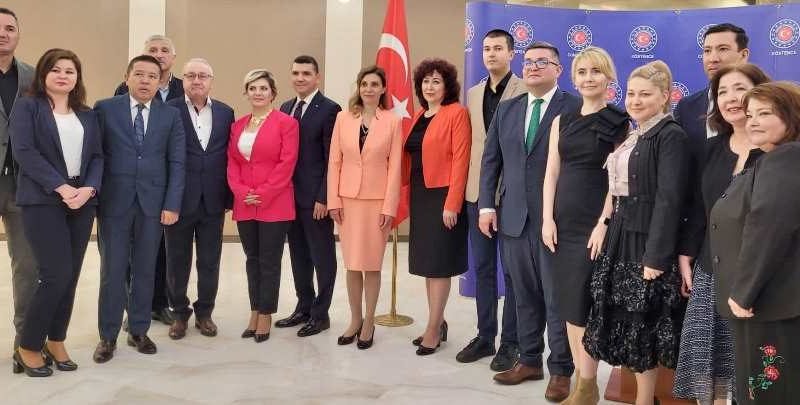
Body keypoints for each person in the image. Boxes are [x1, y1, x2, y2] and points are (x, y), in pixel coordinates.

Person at [478, 41, 580, 401]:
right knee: (522, 295)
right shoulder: (508, 109)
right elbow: (491, 161)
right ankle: (530, 359)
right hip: (513, 218)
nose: (533, 66)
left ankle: (562, 369)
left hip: (557, 221)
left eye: (542, 62)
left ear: (558, 69)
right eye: (529, 61)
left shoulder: (575, 107)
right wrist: (486, 206)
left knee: (556, 298)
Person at [582, 60, 688, 405]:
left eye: (645, 94)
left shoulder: (670, 135)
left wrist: (655, 256)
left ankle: (645, 401)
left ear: (665, 96)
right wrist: (604, 223)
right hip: (620, 235)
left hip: (645, 243)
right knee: (624, 322)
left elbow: (669, 200)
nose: (636, 100)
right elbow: (617, 191)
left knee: (643, 324)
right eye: (630, 94)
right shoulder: (636, 133)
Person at [673, 63, 770, 405]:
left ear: (760, 93)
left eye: (739, 88)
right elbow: (699, 208)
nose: (730, 98)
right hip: (710, 269)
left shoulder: (779, 151)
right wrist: (686, 254)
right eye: (722, 92)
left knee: (754, 366)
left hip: (760, 275)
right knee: (707, 361)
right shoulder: (711, 149)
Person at [541, 46, 629, 404]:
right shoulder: (561, 120)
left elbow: (618, 179)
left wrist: (603, 223)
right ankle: (583, 382)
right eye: (582, 72)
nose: (589, 78)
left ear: (609, 78)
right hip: (561, 223)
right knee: (568, 303)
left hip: (594, 223)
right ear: (573, 78)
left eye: (596, 71)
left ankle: (587, 382)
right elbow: (551, 172)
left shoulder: (618, 121)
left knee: (583, 305)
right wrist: (547, 218)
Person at [9, 48, 102, 377]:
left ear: (77, 78)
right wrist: (61, 187)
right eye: (56, 70)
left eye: (70, 71)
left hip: (82, 200)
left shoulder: (86, 114)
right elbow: (24, 151)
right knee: (54, 274)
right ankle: (28, 345)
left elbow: (97, 156)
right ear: (43, 74)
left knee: (71, 275)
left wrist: (89, 189)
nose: (63, 75)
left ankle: (56, 340)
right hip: (43, 198)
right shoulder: (28, 106)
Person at [710, 81, 800, 405]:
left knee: (767, 393)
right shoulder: (771, 158)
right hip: (766, 303)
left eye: (765, 113)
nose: (754, 122)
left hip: (769, 303)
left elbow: (768, 227)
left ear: (791, 117)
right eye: (751, 115)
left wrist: (743, 291)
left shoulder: (786, 159)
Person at [92, 55, 186, 363]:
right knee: (112, 270)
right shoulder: (105, 108)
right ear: (127, 77)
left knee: (146, 269)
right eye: (139, 74)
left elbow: (177, 161)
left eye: (152, 76)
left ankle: (138, 330)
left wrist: (172, 203)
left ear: (160, 81)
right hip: (114, 202)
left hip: (153, 204)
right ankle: (107, 336)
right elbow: (95, 154)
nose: (145, 81)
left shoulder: (171, 115)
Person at [459, 29, 525, 370]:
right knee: (483, 268)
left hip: (513, 195)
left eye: (498, 48)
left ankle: (511, 343)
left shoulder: (526, 90)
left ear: (511, 53)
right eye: (486, 48)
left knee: (512, 272)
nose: (491, 54)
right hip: (477, 193)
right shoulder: (472, 94)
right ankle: (485, 336)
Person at [328, 66, 401, 350]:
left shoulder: (393, 121)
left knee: (370, 264)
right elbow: (334, 162)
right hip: (347, 201)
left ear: (383, 89)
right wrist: (333, 200)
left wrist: (389, 206)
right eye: (364, 84)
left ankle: (369, 321)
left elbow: (395, 167)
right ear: (358, 88)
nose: (368, 89)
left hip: (377, 202)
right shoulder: (343, 118)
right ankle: (355, 319)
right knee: (352, 264)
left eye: (374, 84)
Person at [114, 34, 185, 327]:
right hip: (132, 185)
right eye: (152, 49)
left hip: (166, 183)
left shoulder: (182, 88)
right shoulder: (124, 90)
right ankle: (131, 308)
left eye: (164, 50)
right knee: (130, 254)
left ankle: (159, 303)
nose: (159, 53)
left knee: (162, 251)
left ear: (173, 58)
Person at [675, 23, 749, 300]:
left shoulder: (769, 111)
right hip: (701, 236)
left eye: (722, 49)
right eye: (707, 51)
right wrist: (688, 245)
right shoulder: (686, 107)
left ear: (744, 55)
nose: (713, 57)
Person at [403, 58, 470, 356]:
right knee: (429, 264)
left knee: (440, 264)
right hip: (421, 194)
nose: (429, 86)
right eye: (425, 81)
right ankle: (437, 321)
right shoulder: (420, 114)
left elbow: (461, 160)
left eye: (436, 81)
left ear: (447, 86)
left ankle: (432, 329)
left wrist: (452, 203)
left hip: (443, 196)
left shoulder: (457, 113)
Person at [164, 58, 235, 339]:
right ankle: (179, 313)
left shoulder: (226, 112)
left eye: (203, 76)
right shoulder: (168, 110)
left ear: (211, 81)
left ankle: (205, 312)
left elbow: (230, 156)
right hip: (178, 201)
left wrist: (229, 196)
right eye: (191, 75)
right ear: (182, 79)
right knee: (176, 261)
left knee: (209, 261)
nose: (197, 80)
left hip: (213, 201)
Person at [227, 69, 298, 343]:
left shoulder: (286, 123)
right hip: (245, 202)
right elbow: (232, 162)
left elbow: (287, 162)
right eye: (253, 88)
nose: (258, 93)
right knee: (252, 259)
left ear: (273, 93)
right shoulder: (237, 125)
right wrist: (241, 191)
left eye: (263, 88)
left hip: (275, 202)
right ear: (246, 93)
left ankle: (266, 313)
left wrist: (264, 193)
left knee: (269, 260)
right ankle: (254, 310)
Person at [275, 55, 341, 337]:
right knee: (298, 256)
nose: (300, 78)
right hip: (288, 198)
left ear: (317, 77)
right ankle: (303, 306)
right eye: (296, 73)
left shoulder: (330, 109)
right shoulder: (285, 107)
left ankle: (320, 313)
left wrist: (324, 197)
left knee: (322, 257)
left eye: (306, 73)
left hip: (315, 200)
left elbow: (332, 159)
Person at [0, 7, 36, 365]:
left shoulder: (33, 76)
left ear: (18, 34)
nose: (3, 34)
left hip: (23, 184)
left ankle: (24, 343)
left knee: (27, 267)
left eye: (9, 28)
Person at [115, 35, 184, 103]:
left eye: (164, 51)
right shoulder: (127, 87)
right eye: (152, 51)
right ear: (143, 57)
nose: (159, 55)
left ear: (173, 57)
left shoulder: (184, 87)